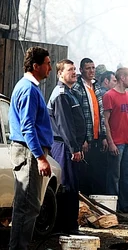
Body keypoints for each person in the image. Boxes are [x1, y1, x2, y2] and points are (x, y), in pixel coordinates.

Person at [8, 46, 54, 250]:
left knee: (27, 206)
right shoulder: (27, 89)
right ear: (36, 66)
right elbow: (28, 127)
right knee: (28, 207)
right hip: (28, 152)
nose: (50, 68)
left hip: (29, 151)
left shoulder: (30, 87)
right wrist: (40, 157)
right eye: (47, 63)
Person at [47, 59, 86, 234]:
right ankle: (65, 226)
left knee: (72, 185)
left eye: (75, 69)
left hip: (69, 145)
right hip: (63, 146)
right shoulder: (61, 94)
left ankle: (69, 224)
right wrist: (74, 148)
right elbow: (65, 125)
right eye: (70, 69)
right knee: (66, 186)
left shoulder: (70, 93)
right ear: (60, 73)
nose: (74, 72)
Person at [103, 67, 128, 213]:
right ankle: (112, 207)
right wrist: (110, 142)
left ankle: (126, 206)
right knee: (114, 175)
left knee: (127, 176)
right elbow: (105, 121)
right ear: (122, 78)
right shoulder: (109, 96)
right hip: (117, 142)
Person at [72, 58, 108, 195]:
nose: (91, 71)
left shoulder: (96, 86)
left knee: (98, 175)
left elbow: (100, 112)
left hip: (98, 137)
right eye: (88, 68)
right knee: (84, 176)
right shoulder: (77, 87)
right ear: (81, 70)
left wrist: (103, 135)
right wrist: (82, 139)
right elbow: (78, 116)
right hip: (85, 139)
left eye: (93, 68)